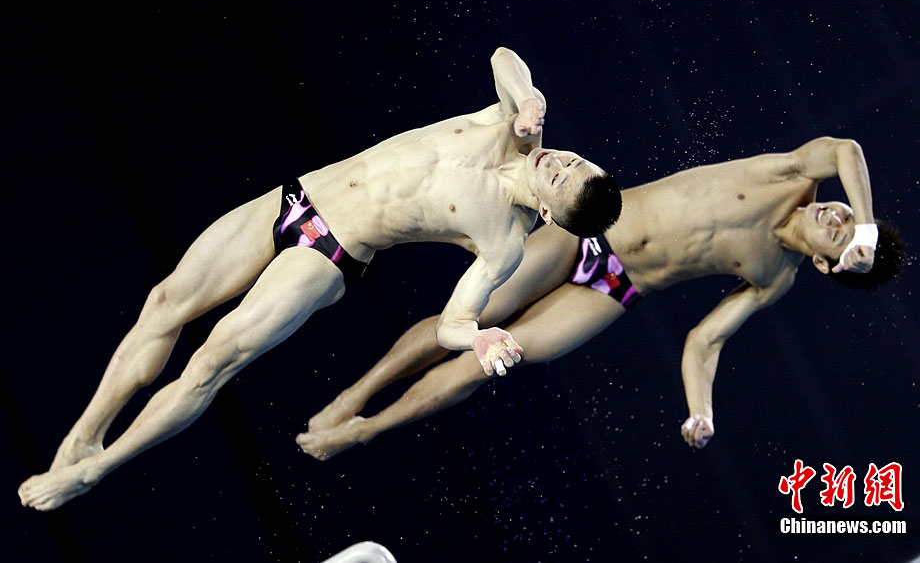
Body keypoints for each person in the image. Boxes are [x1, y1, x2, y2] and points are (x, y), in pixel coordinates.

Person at [17, 47, 622, 511]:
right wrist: (528, 93)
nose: (556, 161)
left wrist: (479, 338)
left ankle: (96, 470)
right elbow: (502, 57)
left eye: (560, 177)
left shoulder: (505, 240)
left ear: (550, 213)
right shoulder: (517, 128)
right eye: (572, 159)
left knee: (210, 362)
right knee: (165, 301)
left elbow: (451, 325)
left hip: (329, 254)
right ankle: (86, 436)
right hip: (297, 197)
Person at [298, 137, 905, 460]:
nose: (835, 216)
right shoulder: (790, 176)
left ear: (824, 264)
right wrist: (868, 230)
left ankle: (364, 430)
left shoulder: (776, 276)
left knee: (487, 361)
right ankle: (356, 393)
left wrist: (701, 412)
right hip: (587, 233)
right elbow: (846, 150)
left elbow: (705, 340)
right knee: (475, 316)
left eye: (840, 234)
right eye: (845, 214)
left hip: (616, 288)